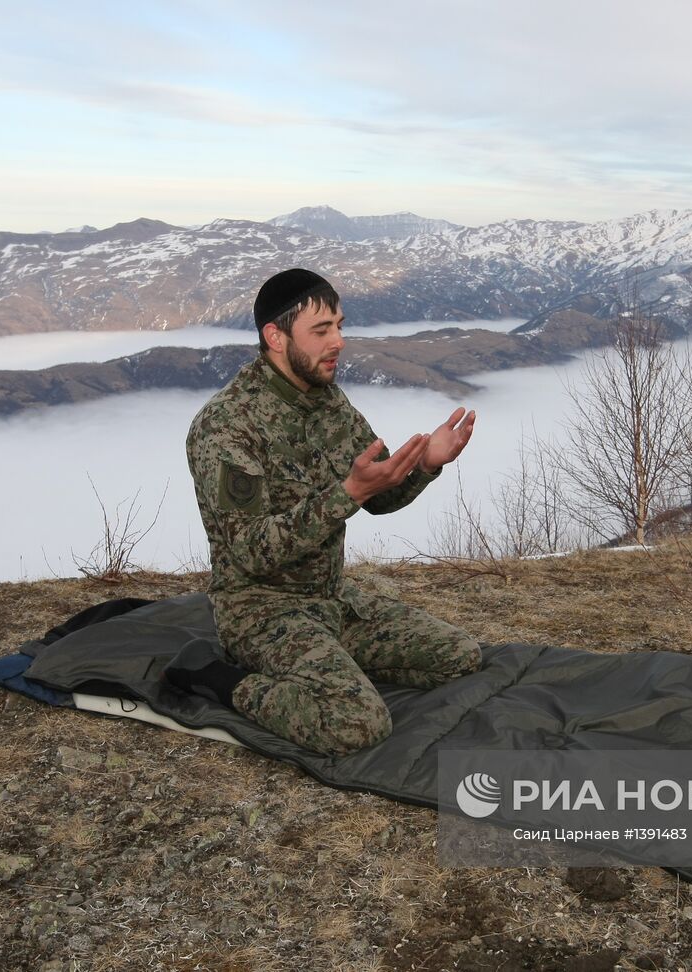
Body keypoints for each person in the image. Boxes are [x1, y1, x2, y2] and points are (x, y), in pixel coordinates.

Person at [185, 268, 482, 756]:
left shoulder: (328, 403)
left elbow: (378, 493)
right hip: (261, 610)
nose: (338, 341)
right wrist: (346, 493)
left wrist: (427, 463)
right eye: (321, 331)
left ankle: (325, 666)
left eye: (339, 326)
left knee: (458, 657)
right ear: (275, 337)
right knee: (355, 725)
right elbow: (250, 553)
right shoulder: (227, 427)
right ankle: (225, 682)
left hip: (330, 600)